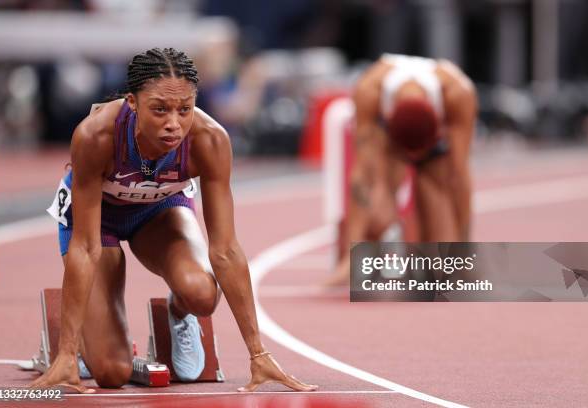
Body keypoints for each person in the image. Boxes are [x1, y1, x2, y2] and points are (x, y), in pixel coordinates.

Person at [32, 48, 317, 393]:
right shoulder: (96, 136)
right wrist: (67, 352)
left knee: (200, 292)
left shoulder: (209, 140)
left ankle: (177, 315)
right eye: (160, 109)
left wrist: (258, 352)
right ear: (133, 103)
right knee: (111, 373)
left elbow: (225, 250)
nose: (173, 123)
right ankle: (66, 344)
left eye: (185, 109)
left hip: (159, 212)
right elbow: (87, 246)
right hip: (98, 222)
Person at [324, 54, 477, 287]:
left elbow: (460, 177)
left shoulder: (459, 93)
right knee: (376, 209)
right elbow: (361, 174)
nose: (411, 161)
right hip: (388, 143)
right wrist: (352, 251)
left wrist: (464, 250)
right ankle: (364, 251)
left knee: (441, 259)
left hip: (435, 149)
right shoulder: (369, 90)